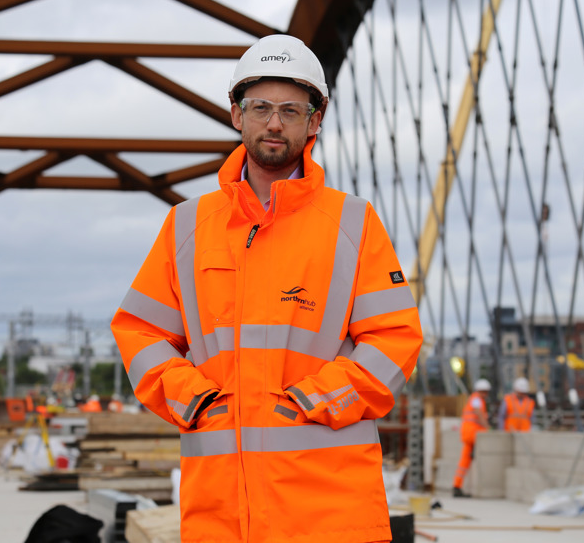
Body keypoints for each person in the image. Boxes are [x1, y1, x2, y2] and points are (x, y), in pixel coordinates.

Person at [111, 34, 423, 543]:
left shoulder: (352, 224)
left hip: (329, 515)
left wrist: (316, 400)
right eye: (260, 108)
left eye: (291, 110)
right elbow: (140, 333)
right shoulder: (187, 227)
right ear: (237, 115)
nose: (274, 123)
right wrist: (194, 400)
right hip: (220, 516)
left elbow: (395, 338)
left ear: (314, 122)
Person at [453, 378, 491, 498]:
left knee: (464, 461)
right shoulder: (476, 399)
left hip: (470, 433)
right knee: (466, 459)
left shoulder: (475, 399)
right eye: (484, 392)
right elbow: (478, 413)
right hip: (472, 433)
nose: (485, 394)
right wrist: (487, 427)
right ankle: (457, 487)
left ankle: (457, 486)